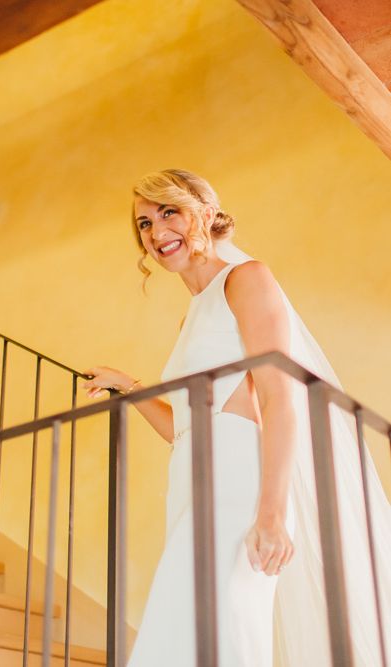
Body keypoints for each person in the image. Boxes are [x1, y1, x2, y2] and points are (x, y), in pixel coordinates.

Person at [83, 169, 391, 666]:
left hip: (241, 488)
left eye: (168, 212)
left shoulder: (246, 280)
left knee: (210, 629)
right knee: (201, 632)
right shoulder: (192, 317)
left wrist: (271, 512)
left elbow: (278, 399)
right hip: (191, 483)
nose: (156, 231)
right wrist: (131, 387)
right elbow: (182, 429)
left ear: (206, 213)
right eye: (143, 222)